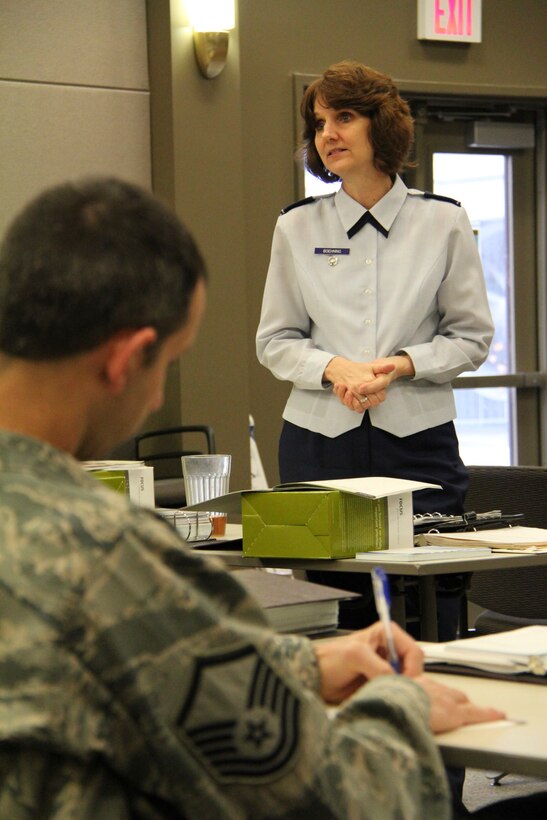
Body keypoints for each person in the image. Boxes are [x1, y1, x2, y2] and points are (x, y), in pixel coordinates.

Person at [0, 176, 532, 820]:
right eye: (169, 363)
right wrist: (403, 705)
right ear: (126, 361)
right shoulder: (106, 553)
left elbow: (154, 659)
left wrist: (297, 662)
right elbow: (338, 796)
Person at [256, 60, 495, 638]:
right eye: (318, 124)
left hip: (418, 446)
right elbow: (275, 341)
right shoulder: (296, 227)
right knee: (333, 610)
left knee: (430, 608)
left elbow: (472, 337)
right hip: (317, 447)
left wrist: (403, 366)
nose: (327, 135)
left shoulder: (444, 223)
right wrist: (332, 367)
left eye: (344, 118)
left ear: (382, 125)